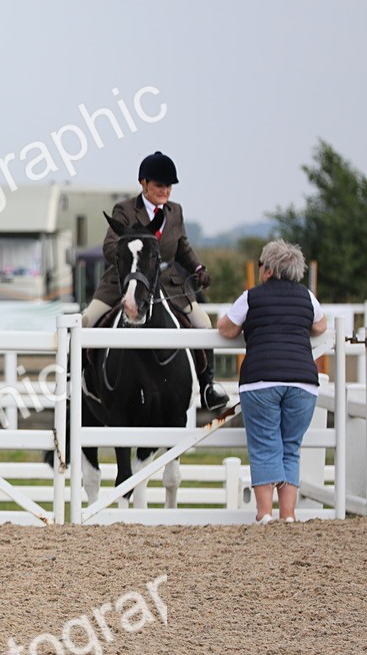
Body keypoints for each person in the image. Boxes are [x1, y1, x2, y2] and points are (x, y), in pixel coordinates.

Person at [82, 151, 230, 411]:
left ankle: (208, 386)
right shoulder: (126, 210)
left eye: (168, 186)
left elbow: (182, 247)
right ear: (144, 184)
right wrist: (131, 264)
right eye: (159, 185)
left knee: (204, 324)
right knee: (85, 322)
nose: (165, 191)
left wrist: (198, 267)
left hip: (169, 286)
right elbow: (110, 246)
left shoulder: (175, 212)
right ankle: (77, 383)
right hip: (126, 283)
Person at [217, 240, 326, 525]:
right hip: (303, 381)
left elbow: (226, 328)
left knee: (265, 445)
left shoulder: (251, 297)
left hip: (261, 379)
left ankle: (265, 514)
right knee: (290, 446)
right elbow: (321, 326)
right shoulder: (307, 297)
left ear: (267, 270)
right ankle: (288, 515)